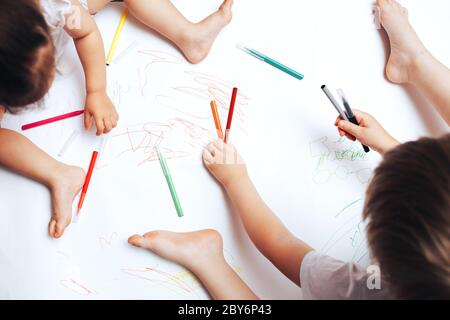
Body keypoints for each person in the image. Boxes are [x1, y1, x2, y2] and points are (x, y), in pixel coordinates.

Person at [128, 0, 450, 299]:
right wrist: (392, 149)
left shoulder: (370, 290)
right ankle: (414, 60)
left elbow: (282, 246)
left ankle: (210, 261)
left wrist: (235, 180)